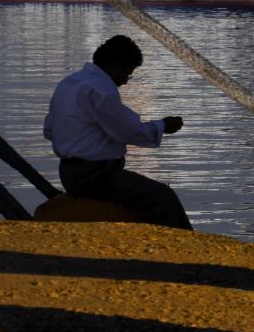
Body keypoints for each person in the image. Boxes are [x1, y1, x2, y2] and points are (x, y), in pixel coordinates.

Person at [44, 35, 192, 230]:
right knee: (162, 196)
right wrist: (163, 126)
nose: (126, 81)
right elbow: (128, 130)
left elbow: (49, 130)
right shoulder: (100, 90)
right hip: (95, 176)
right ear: (116, 65)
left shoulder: (69, 83)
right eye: (128, 73)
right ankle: (181, 248)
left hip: (68, 172)